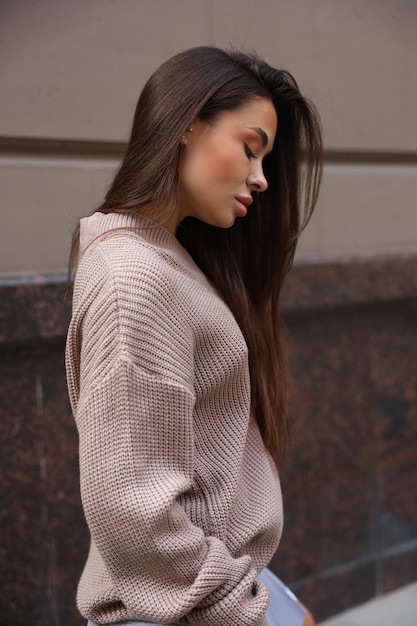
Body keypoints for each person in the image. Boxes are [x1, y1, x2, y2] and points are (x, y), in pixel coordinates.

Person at [66, 46, 322, 626]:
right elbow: (131, 503)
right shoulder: (135, 276)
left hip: (205, 588)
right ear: (186, 126)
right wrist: (246, 611)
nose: (260, 179)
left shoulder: (168, 258)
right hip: (184, 609)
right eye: (250, 148)